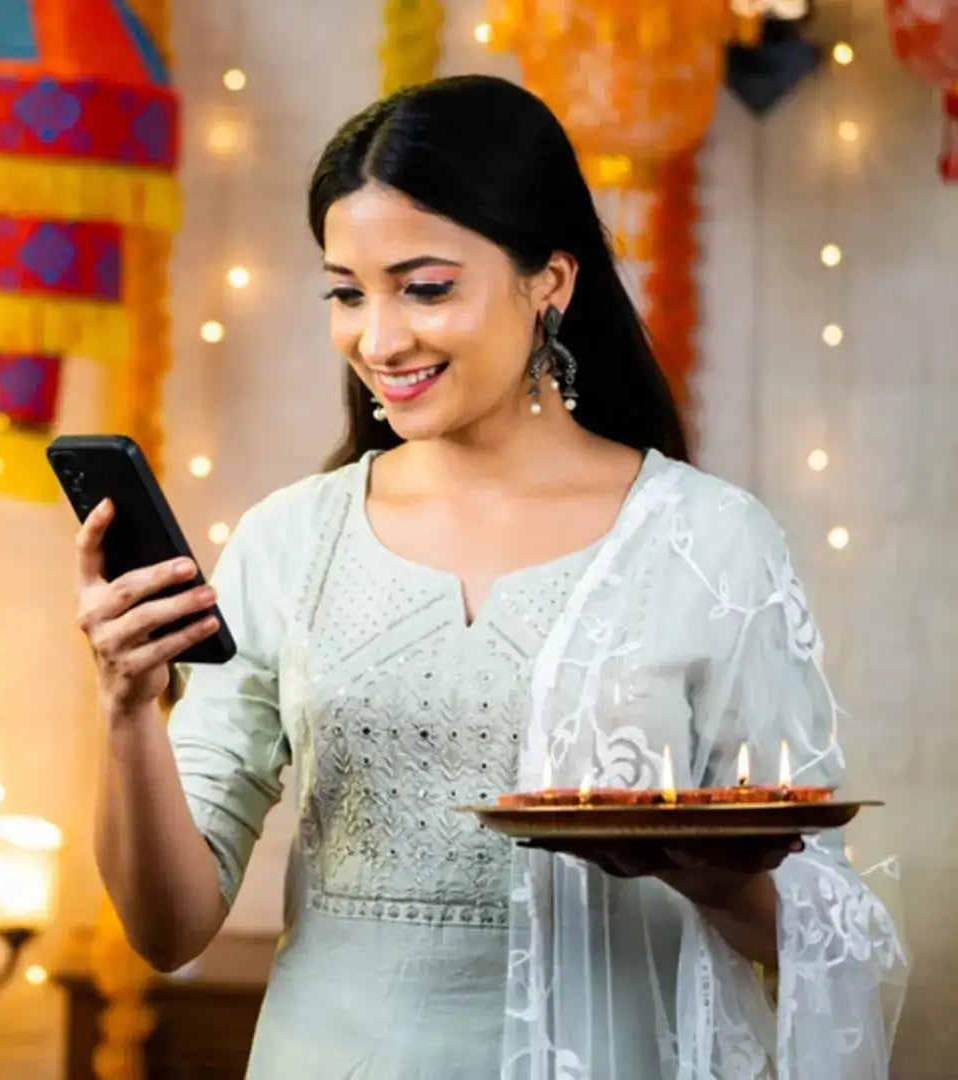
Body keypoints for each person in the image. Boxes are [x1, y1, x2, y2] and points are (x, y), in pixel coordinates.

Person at [76, 75, 908, 1079]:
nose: (378, 341)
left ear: (547, 279)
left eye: (425, 288)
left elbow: (825, 934)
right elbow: (169, 930)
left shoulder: (707, 541)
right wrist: (127, 710)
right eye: (347, 292)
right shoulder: (289, 541)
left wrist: (712, 878)